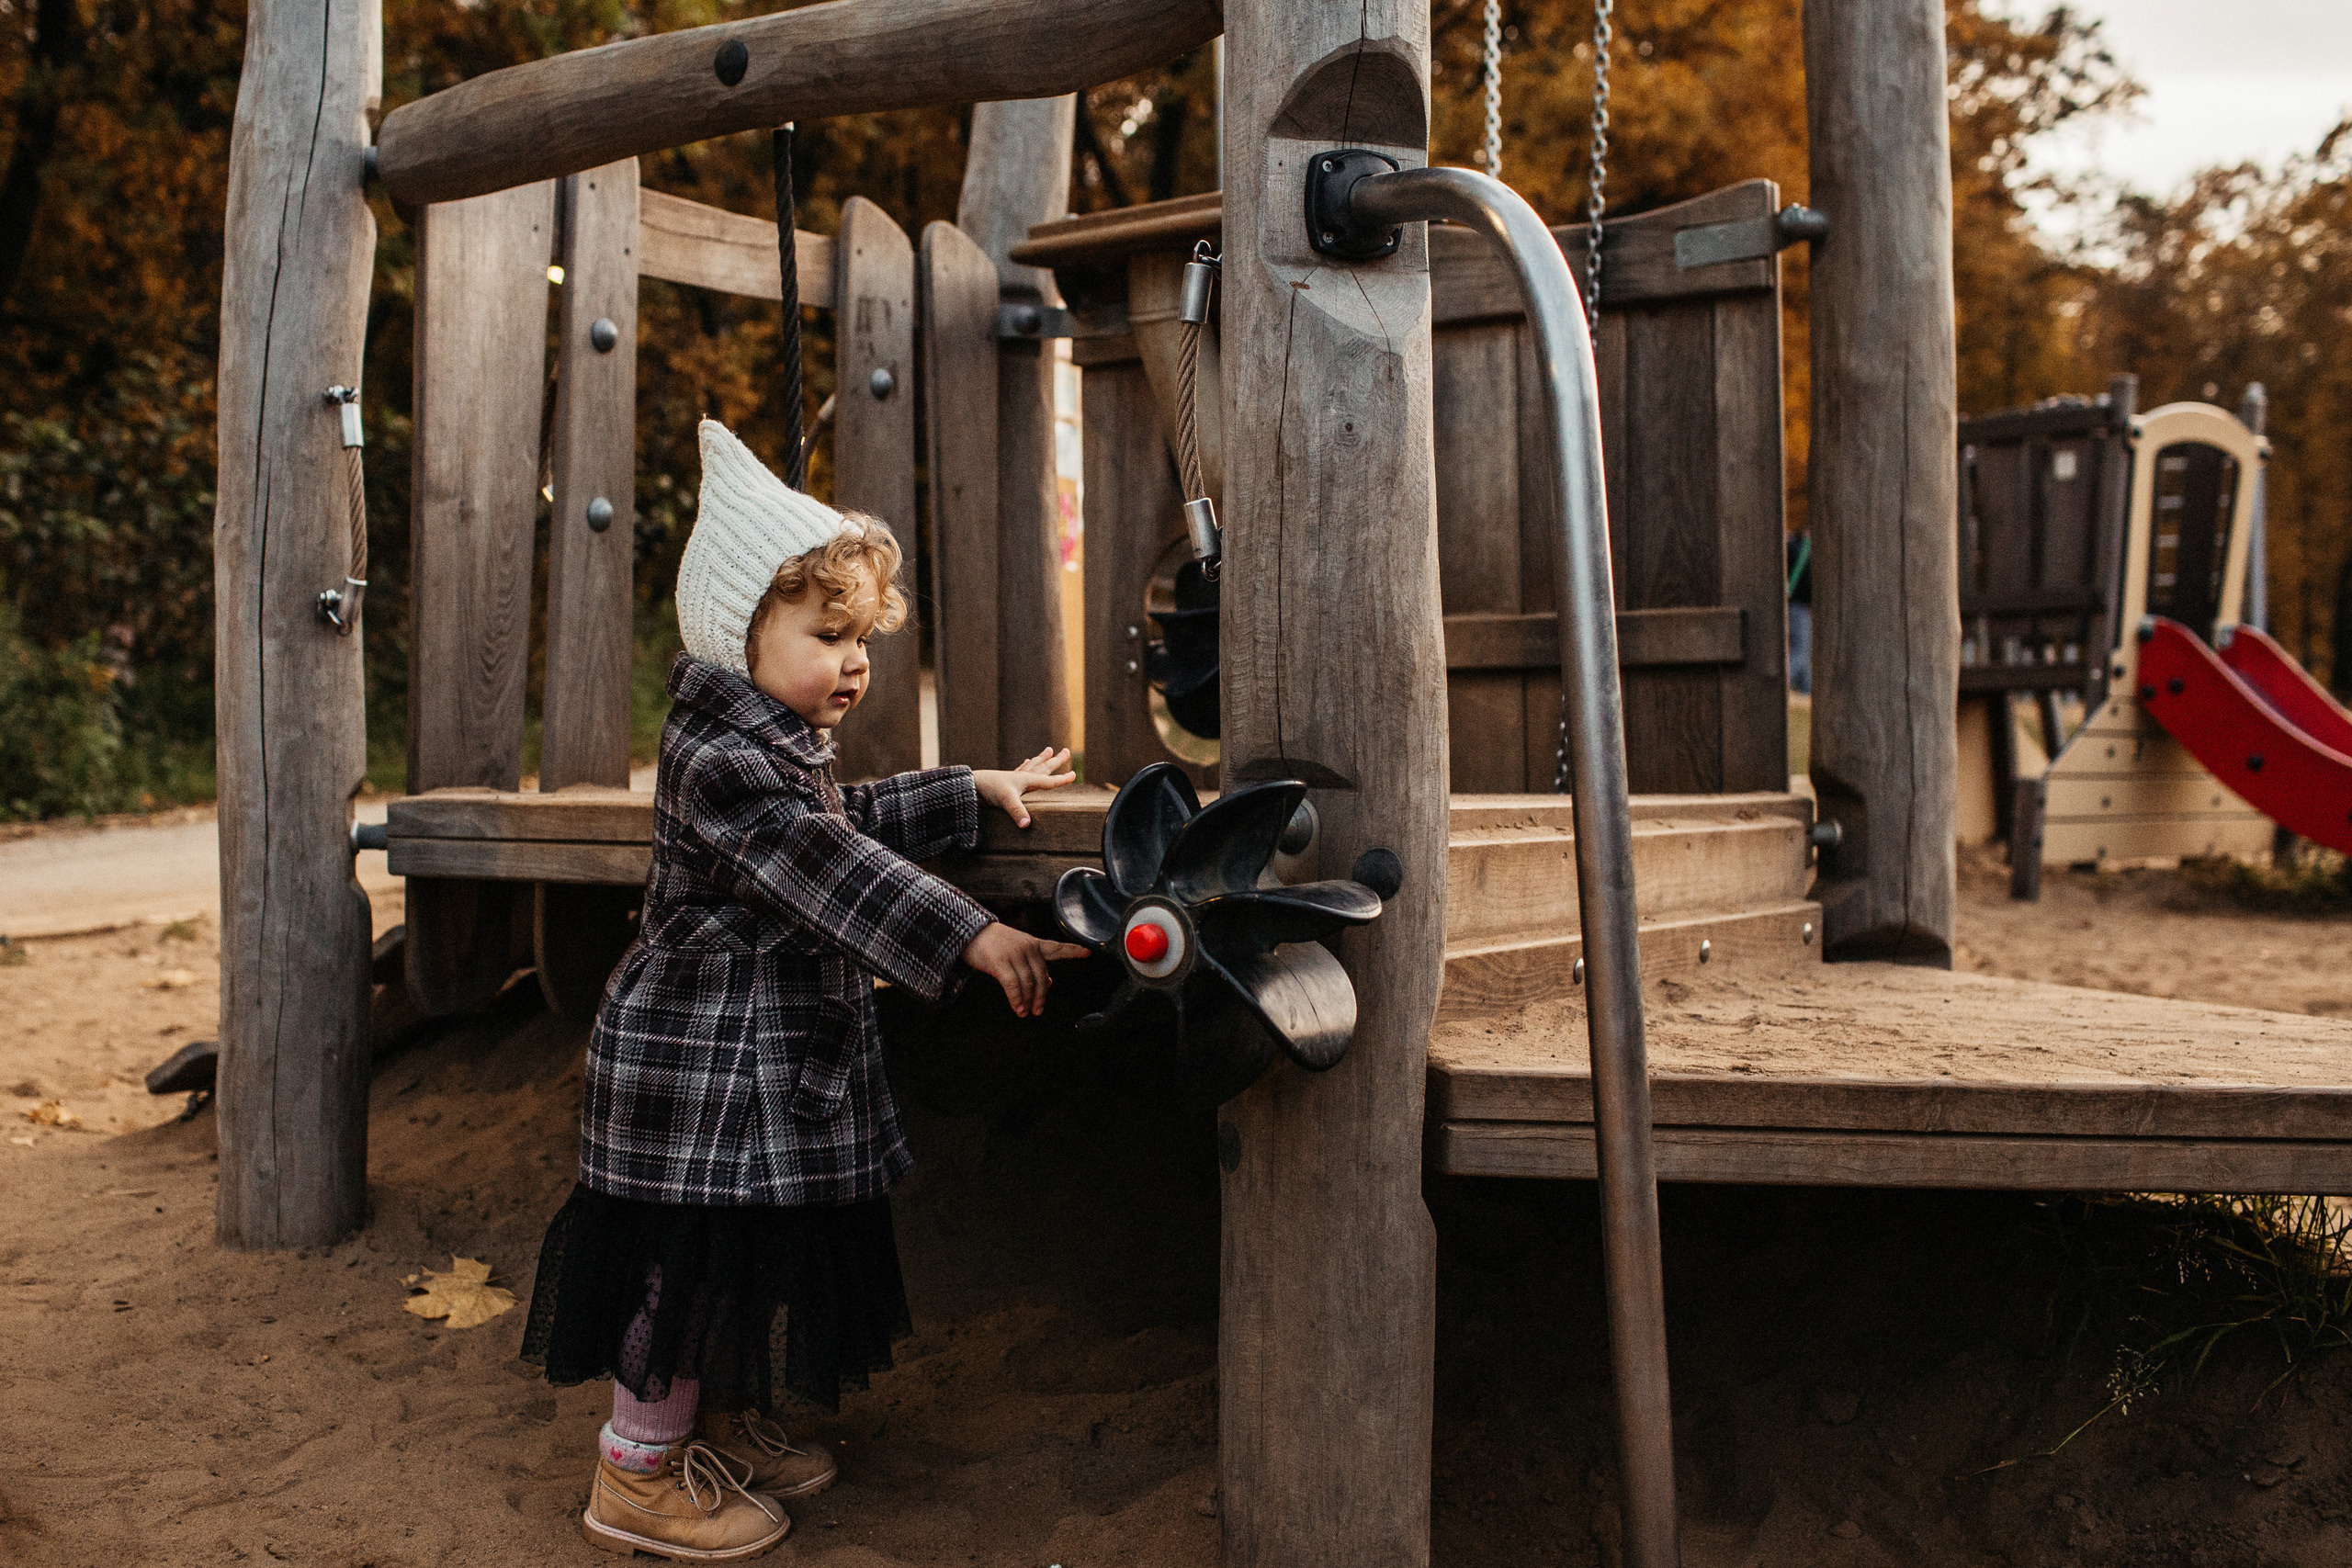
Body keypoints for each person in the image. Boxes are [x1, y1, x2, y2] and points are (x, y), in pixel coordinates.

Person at [522, 420, 1088, 1561]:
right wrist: (967, 929)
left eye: (862, 636)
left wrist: (960, 792)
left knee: (734, 1258)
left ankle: (708, 1430)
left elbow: (845, 820)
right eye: (829, 634)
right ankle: (636, 1473)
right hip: (700, 1060)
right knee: (679, 1263)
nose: (856, 660)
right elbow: (818, 857)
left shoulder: (770, 742)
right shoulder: (724, 757)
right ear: (741, 634)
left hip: (754, 1060)